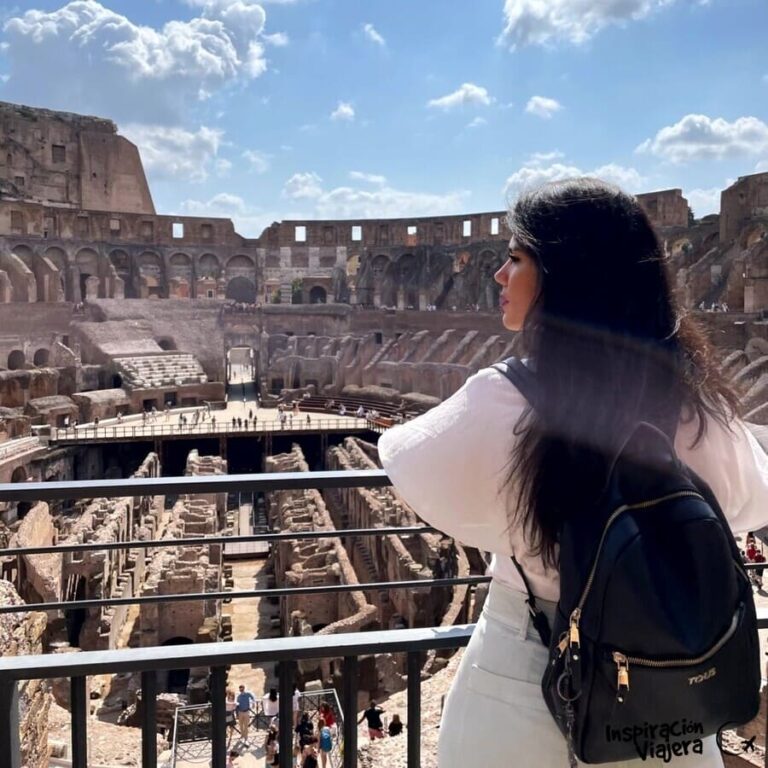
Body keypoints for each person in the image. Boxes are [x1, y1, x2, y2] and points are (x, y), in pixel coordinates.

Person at [378, 178, 768, 768]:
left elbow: (406, 461)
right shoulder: (696, 409)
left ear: (565, 273)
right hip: (665, 698)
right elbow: (748, 502)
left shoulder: (502, 402)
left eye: (515, 258)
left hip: (519, 682)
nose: (498, 276)